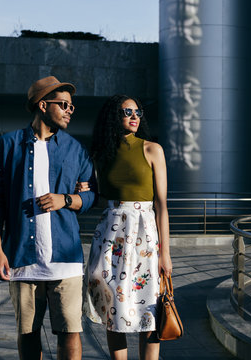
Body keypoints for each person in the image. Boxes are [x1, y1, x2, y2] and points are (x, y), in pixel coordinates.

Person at [0, 76, 97, 360]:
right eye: (63, 105)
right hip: (23, 256)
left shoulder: (75, 148)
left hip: (66, 258)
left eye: (72, 106)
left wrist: (67, 199)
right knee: (28, 333)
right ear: (43, 105)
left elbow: (92, 194)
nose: (70, 110)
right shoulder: (8, 145)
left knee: (70, 332)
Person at [82, 94, 172, 360]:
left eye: (138, 112)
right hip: (110, 236)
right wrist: (85, 191)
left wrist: (165, 253)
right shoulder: (100, 154)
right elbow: (101, 200)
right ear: (113, 117)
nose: (134, 117)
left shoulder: (152, 149)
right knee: (113, 308)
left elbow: (162, 205)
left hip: (145, 236)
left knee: (151, 309)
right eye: (127, 112)